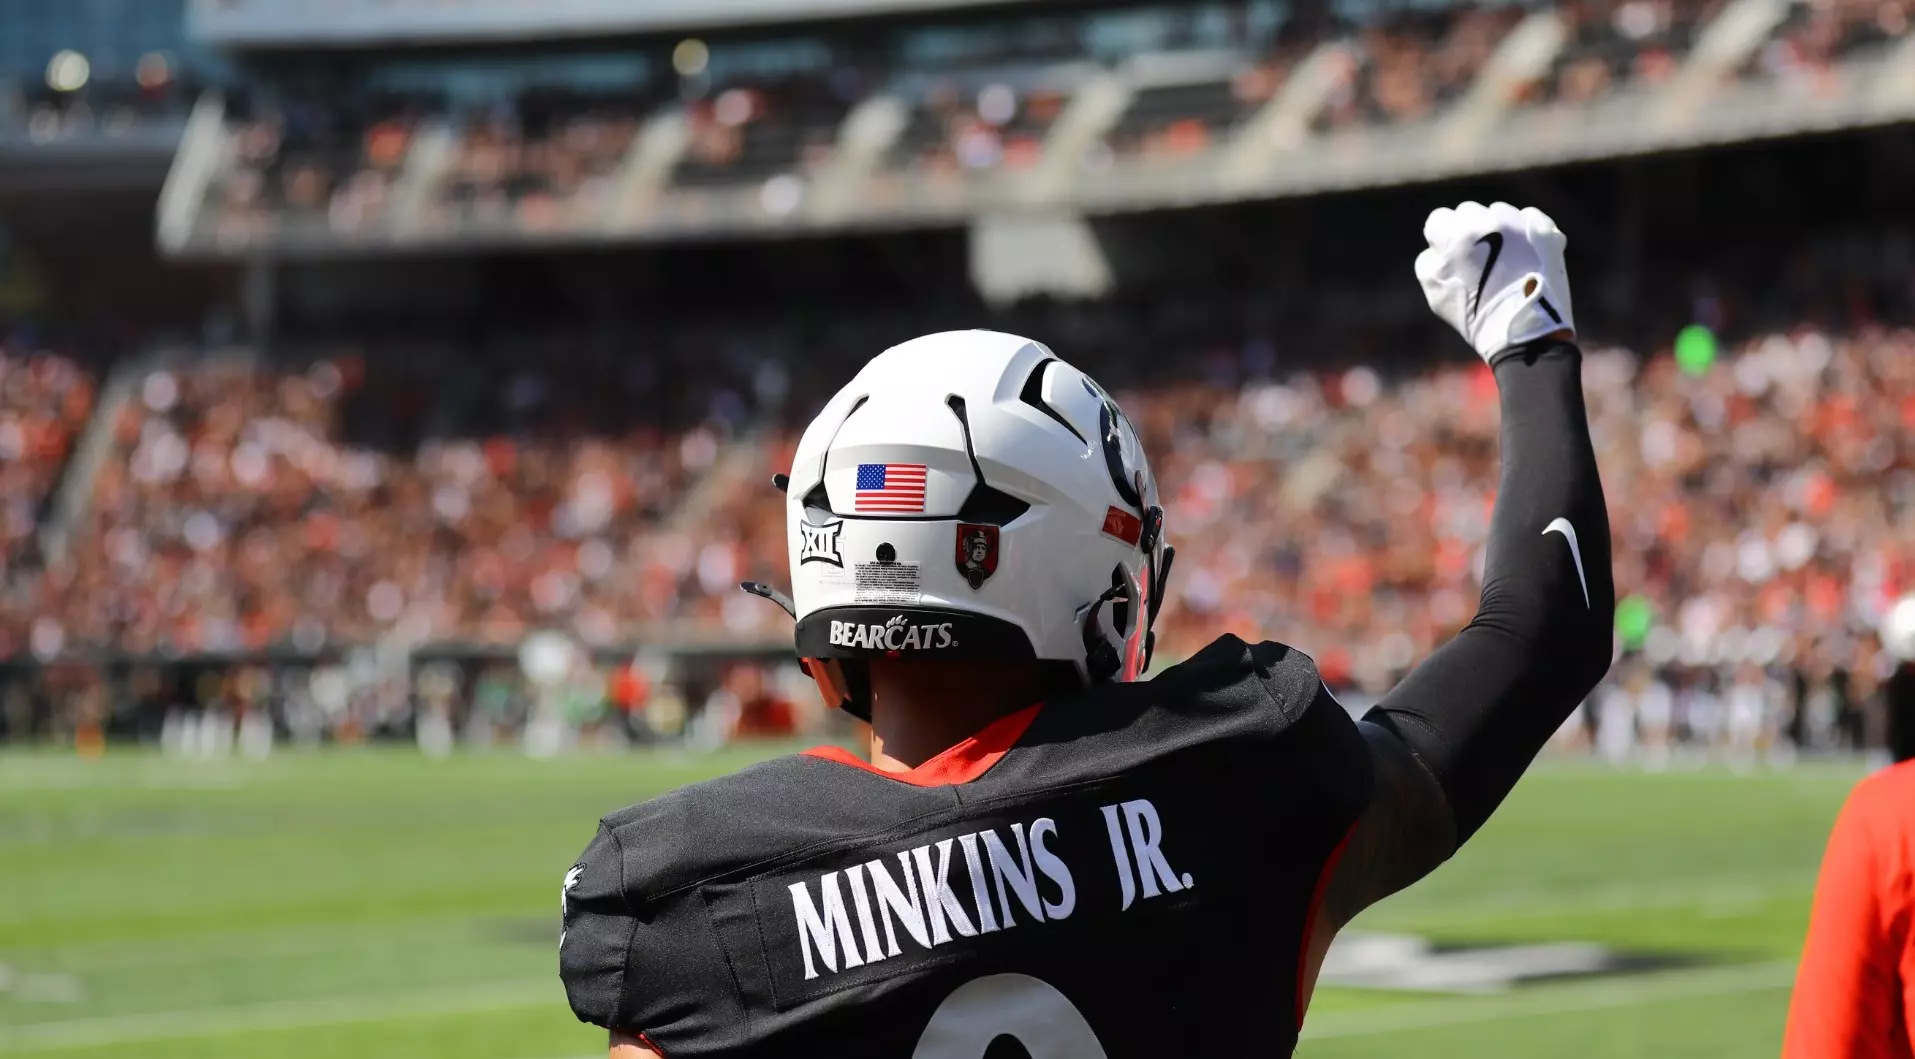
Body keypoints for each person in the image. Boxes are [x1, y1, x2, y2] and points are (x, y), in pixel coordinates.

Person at [557, 202, 1614, 1058]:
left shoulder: (697, 908)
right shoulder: (1242, 781)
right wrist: (1530, 342)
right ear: (1100, 578)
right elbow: (1538, 632)